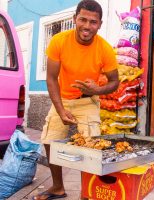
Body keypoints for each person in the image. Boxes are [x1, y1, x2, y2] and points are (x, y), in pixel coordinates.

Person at [33, 0, 119, 199]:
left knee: (91, 146)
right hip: (61, 100)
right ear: (74, 19)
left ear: (100, 24)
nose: (87, 26)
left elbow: (115, 82)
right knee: (49, 141)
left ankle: (87, 193)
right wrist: (60, 110)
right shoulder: (59, 41)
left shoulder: (105, 49)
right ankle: (57, 188)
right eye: (83, 20)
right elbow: (51, 78)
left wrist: (97, 88)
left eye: (93, 22)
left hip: (87, 102)